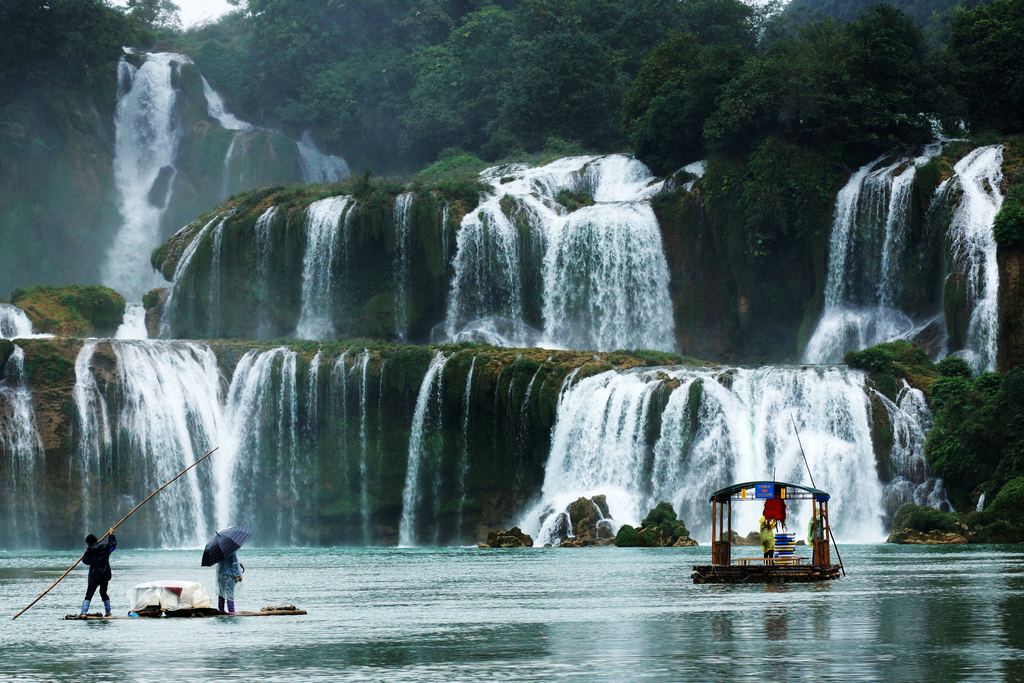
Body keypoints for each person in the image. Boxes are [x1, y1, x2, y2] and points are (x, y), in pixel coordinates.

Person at [80, 529, 117, 617]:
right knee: (103, 593)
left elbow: (85, 561)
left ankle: (83, 612)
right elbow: (113, 545)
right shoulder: (104, 547)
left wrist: (86, 554)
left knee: (89, 594)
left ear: (88, 543)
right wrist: (111, 535)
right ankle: (108, 612)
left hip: (94, 576)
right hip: (105, 574)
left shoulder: (89, 551)